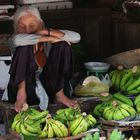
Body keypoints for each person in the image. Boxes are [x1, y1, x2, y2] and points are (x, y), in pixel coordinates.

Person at [6, 6, 81, 112]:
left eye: (32, 25)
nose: (27, 30)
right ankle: (21, 94)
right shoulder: (15, 39)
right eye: (22, 26)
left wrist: (47, 32)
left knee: (62, 45)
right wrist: (52, 38)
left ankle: (60, 94)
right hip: (25, 90)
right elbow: (20, 40)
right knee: (25, 46)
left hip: (51, 87)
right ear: (16, 28)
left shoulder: (46, 34)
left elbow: (76, 37)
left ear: (40, 24)